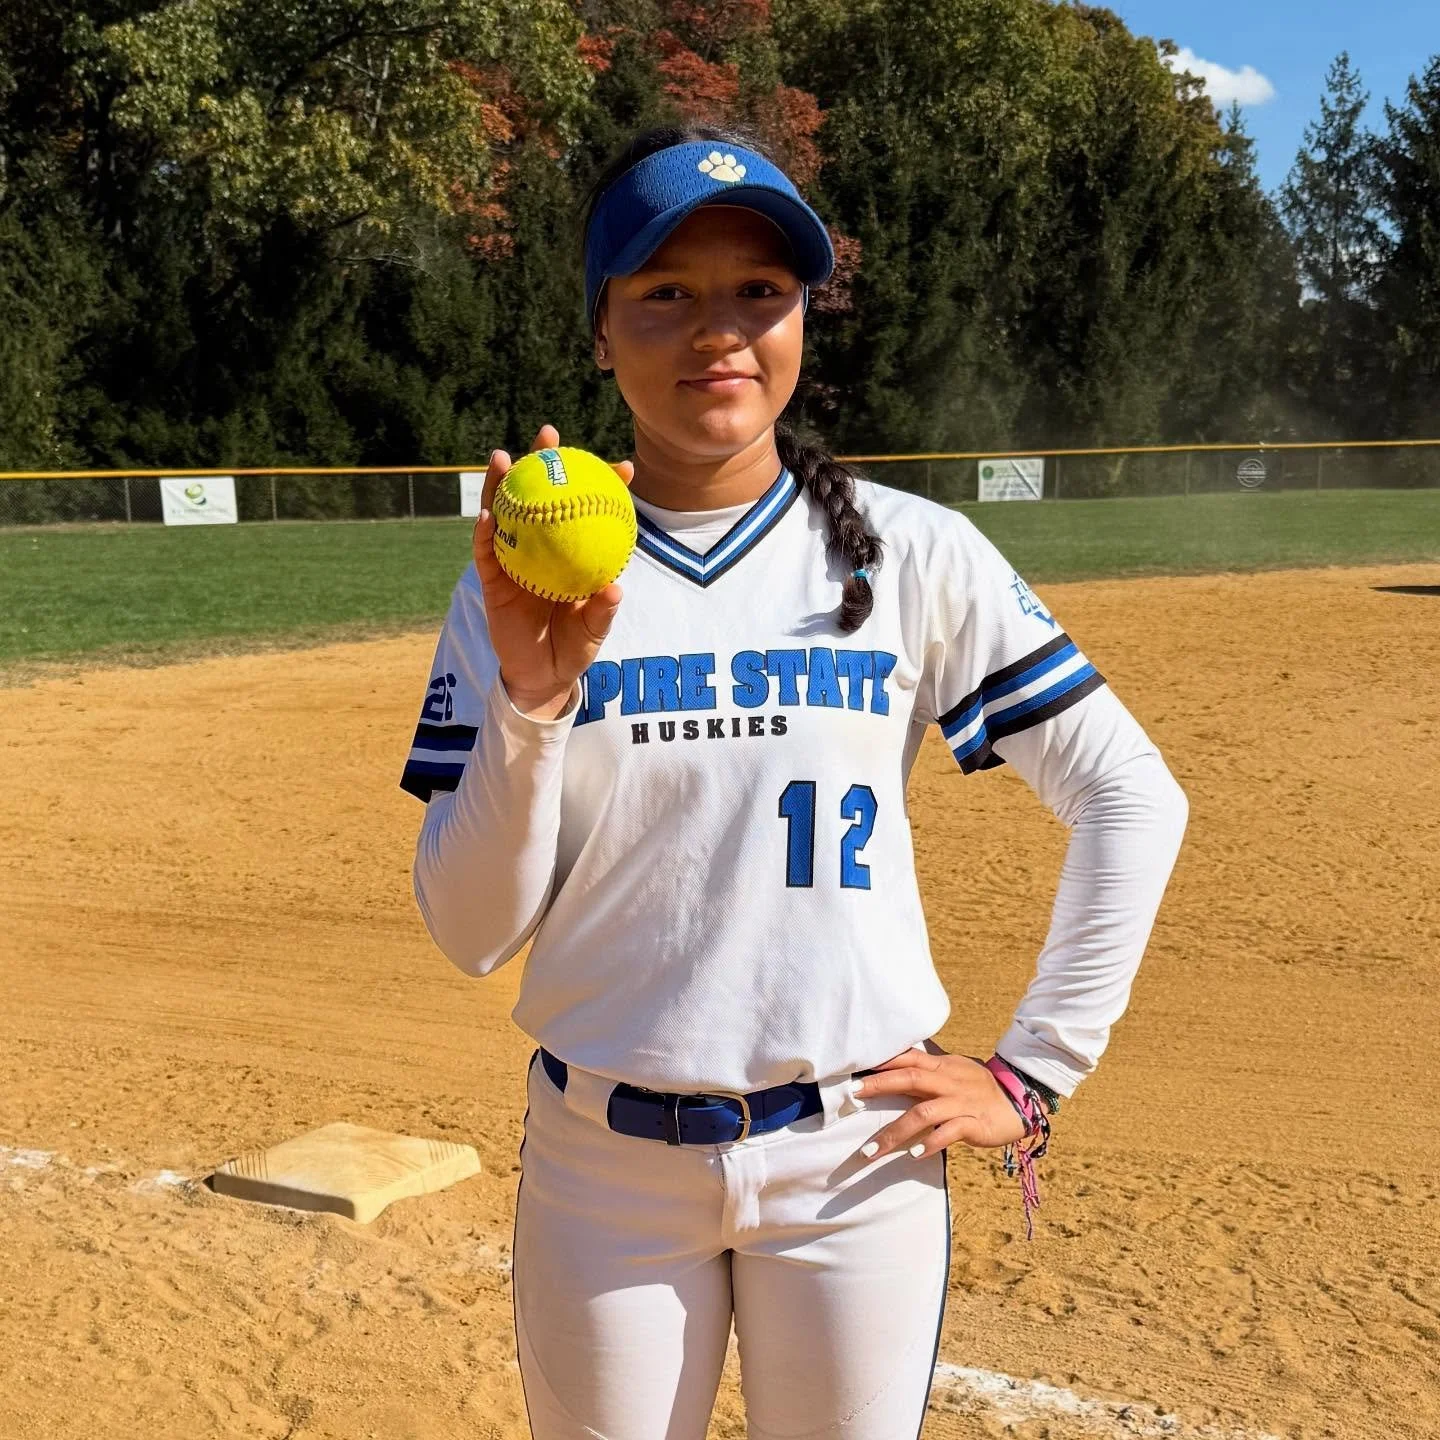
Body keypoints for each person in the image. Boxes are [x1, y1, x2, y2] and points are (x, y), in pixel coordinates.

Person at [401, 125, 1188, 1440]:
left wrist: (1033, 1070)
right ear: (601, 331)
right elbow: (471, 932)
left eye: (760, 292)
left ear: (804, 317)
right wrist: (534, 707)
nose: (719, 332)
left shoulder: (910, 552)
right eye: (666, 293)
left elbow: (1129, 792)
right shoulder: (520, 589)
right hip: (606, 1169)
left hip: (853, 1162)